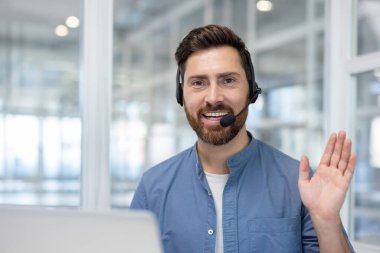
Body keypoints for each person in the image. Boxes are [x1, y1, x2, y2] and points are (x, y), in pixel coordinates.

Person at [131, 24, 356, 253]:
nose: (213, 97)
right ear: (181, 95)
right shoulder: (153, 187)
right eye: (198, 83)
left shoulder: (300, 184)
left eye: (228, 80)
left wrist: (327, 221)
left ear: (251, 89)